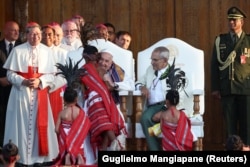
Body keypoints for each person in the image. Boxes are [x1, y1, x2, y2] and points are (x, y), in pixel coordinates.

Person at [3, 22, 58, 166]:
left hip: (40, 95)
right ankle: (19, 158)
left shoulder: (47, 51)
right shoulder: (17, 50)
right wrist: (23, 81)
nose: (36, 37)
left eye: (38, 34)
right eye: (32, 34)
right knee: (20, 126)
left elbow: (52, 75)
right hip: (21, 95)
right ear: (26, 35)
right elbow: (9, 74)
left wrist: (40, 81)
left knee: (38, 126)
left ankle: (38, 159)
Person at [211, 6, 250, 145]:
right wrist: (215, 88)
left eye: (234, 20)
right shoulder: (220, 41)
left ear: (242, 22)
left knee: (247, 126)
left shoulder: (248, 41)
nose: (231, 23)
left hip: (246, 90)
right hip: (226, 89)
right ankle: (232, 153)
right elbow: (214, 66)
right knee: (230, 126)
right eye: (229, 20)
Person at [81, 45, 125, 151]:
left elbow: (82, 90)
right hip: (104, 100)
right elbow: (109, 87)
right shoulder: (99, 69)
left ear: (84, 56)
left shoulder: (82, 70)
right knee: (105, 122)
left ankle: (115, 144)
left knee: (103, 123)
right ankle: (112, 145)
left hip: (94, 101)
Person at [98, 49, 135, 149]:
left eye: (106, 61)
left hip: (113, 104)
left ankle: (116, 147)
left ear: (111, 63)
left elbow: (131, 85)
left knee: (119, 123)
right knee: (105, 121)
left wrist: (114, 84)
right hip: (97, 105)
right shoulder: (93, 68)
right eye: (101, 59)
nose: (103, 63)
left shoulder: (117, 71)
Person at [135, 46, 170, 150]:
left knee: (146, 119)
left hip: (167, 105)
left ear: (165, 60)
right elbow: (138, 82)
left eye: (155, 60)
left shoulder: (174, 72)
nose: (151, 62)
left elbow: (179, 95)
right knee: (147, 119)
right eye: (151, 59)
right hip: (152, 107)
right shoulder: (150, 69)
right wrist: (142, 87)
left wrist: (165, 111)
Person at [54, 86, 91, 166]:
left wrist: (62, 134)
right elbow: (86, 125)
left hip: (65, 139)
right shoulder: (80, 112)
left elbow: (56, 129)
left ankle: (67, 155)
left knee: (67, 140)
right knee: (77, 139)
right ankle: (78, 155)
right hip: (78, 138)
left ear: (64, 99)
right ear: (76, 99)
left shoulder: (62, 113)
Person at [0, 21, 22, 147]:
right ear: (6, 31)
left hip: (17, 89)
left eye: (18, 30)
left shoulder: (22, 47)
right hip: (1, 91)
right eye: (14, 30)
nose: (17, 33)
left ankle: (15, 146)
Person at [41, 25, 67, 124]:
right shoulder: (36, 51)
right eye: (44, 34)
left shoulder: (62, 53)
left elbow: (64, 75)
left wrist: (50, 87)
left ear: (54, 36)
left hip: (54, 90)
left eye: (50, 34)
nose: (47, 36)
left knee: (55, 121)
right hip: (38, 90)